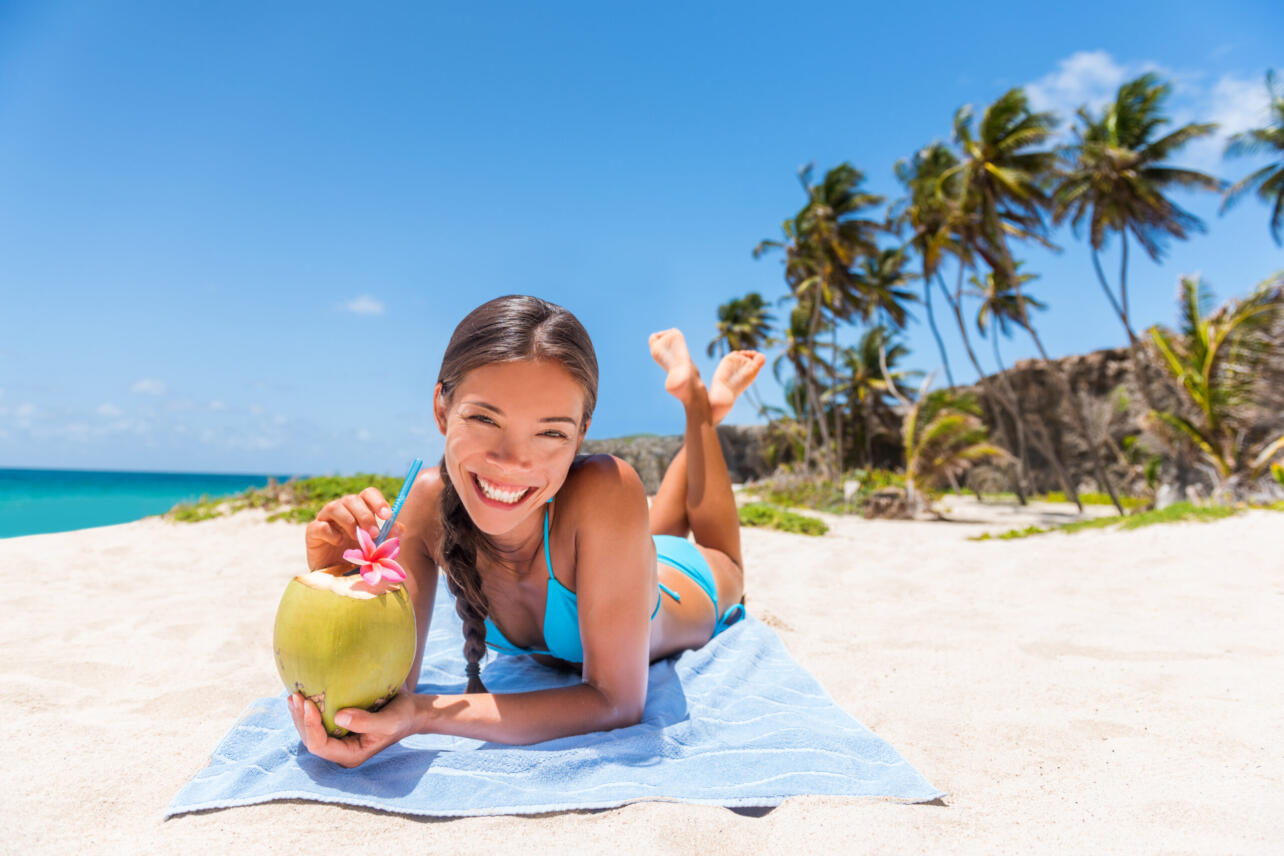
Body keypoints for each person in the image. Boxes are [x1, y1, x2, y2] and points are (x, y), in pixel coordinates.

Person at [287, 294, 764, 766]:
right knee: (661, 525)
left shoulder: (606, 489)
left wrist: (423, 716)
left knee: (724, 557)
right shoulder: (426, 503)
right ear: (441, 409)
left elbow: (617, 703)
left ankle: (699, 406)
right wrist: (338, 580)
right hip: (615, 557)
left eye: (551, 432)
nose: (512, 461)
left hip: (682, 582)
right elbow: (387, 690)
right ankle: (704, 409)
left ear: (581, 435)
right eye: (483, 418)